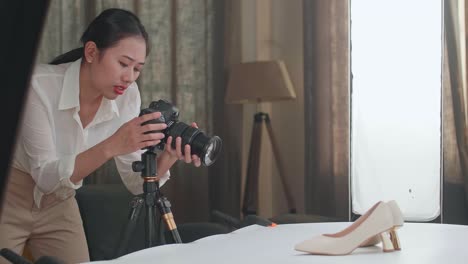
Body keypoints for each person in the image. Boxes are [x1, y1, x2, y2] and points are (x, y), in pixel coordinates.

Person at [0, 8, 200, 263]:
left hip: (60, 202)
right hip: (10, 195)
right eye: (123, 64)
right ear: (92, 52)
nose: (129, 78)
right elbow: (46, 176)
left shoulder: (128, 96)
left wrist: (168, 157)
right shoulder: (38, 86)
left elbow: (135, 182)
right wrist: (112, 145)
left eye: (137, 69)